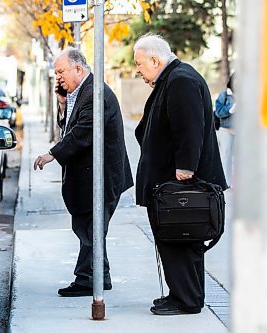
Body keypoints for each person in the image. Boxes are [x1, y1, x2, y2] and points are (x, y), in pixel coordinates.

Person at [132, 33, 227, 315]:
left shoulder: (180, 80)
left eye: (139, 63)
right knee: (178, 241)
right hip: (172, 183)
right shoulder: (174, 77)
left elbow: (189, 129)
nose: (137, 69)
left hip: (180, 183)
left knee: (181, 240)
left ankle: (186, 299)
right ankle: (181, 294)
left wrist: (186, 167)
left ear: (154, 59)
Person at [33, 47, 133, 297]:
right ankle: (101, 276)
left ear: (78, 68)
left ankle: (88, 279)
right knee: (89, 227)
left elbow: (83, 132)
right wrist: (62, 104)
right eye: (56, 73)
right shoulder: (80, 92)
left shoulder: (95, 93)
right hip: (90, 176)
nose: (58, 77)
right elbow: (70, 125)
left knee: (91, 229)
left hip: (102, 177)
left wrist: (52, 154)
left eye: (60, 71)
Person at [214, 73, 236, 186]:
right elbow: (218, 112)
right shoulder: (225, 95)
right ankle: (225, 183)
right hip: (225, 130)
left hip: (240, 132)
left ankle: (237, 184)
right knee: (225, 157)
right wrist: (231, 109)